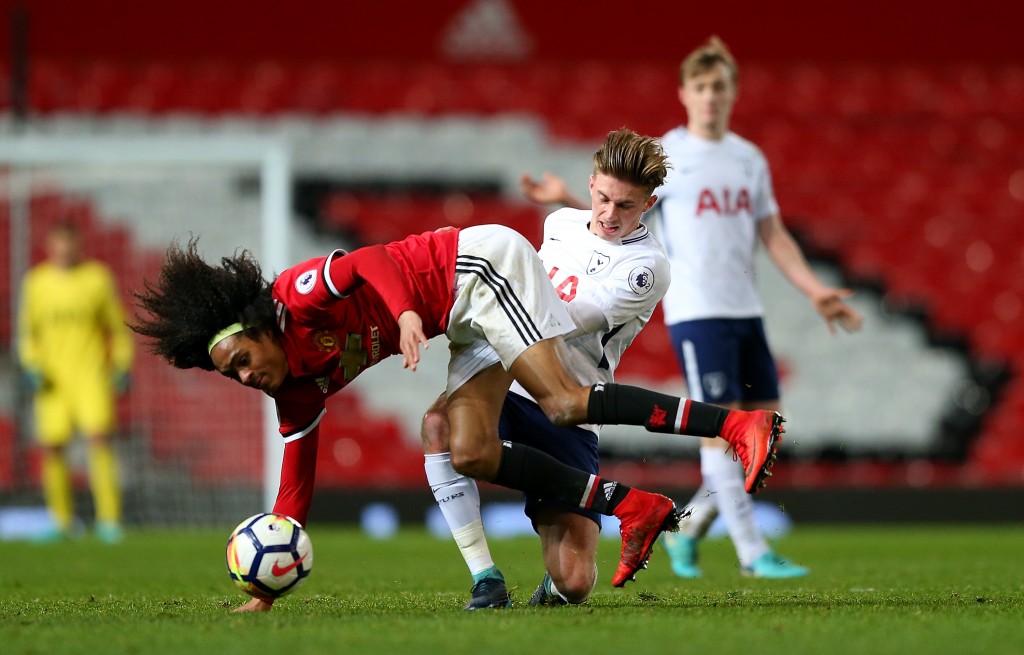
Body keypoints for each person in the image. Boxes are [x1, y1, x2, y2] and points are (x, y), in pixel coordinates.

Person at [130, 164, 784, 611]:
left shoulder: (293, 300)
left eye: (243, 358)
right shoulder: (293, 392)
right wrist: (266, 586)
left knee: (562, 401)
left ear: (257, 328)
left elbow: (365, 260)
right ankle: (619, 509)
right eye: (233, 374)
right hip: (463, 318)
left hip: (477, 267)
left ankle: (736, 424)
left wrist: (405, 312)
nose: (246, 376)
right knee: (464, 448)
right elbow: (294, 484)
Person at [519, 37, 863, 579]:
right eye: (700, 87)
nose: (710, 97)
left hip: (746, 308)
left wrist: (812, 287)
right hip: (696, 308)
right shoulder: (669, 157)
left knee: (762, 432)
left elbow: (772, 233)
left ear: (733, 92)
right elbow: (612, 220)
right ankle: (751, 552)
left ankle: (691, 526)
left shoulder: (748, 159)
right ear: (684, 93)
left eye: (719, 86)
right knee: (720, 430)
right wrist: (567, 199)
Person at [424, 128, 678, 610]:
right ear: (591, 184)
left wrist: (478, 300)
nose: (610, 214)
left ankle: (549, 587)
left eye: (626, 206)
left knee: (575, 583)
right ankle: (485, 579)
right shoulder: (559, 223)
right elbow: (582, 251)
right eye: (603, 198)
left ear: (649, 204)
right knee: (439, 425)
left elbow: (561, 321)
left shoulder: (647, 268)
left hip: (570, 405)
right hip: (507, 380)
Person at [17, 221, 134, 544]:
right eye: (59, 244)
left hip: (90, 375)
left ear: (78, 245)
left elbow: (117, 327)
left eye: (69, 244)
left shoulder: (97, 278)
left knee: (99, 440)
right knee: (53, 446)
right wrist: (31, 364)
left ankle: (109, 521)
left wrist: (122, 364)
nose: (64, 250)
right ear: (49, 247)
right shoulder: (36, 282)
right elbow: (28, 332)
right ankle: (62, 521)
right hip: (52, 380)